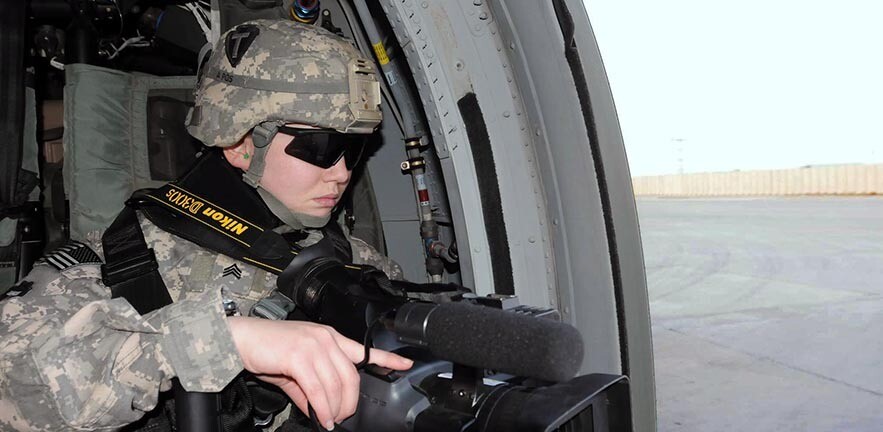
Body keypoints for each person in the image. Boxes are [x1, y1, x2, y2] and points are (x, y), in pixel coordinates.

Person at [0, 19, 412, 431]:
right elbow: (11, 385)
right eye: (323, 148)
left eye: (354, 149)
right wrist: (218, 341)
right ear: (241, 143)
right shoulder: (117, 260)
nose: (341, 173)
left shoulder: (356, 260)